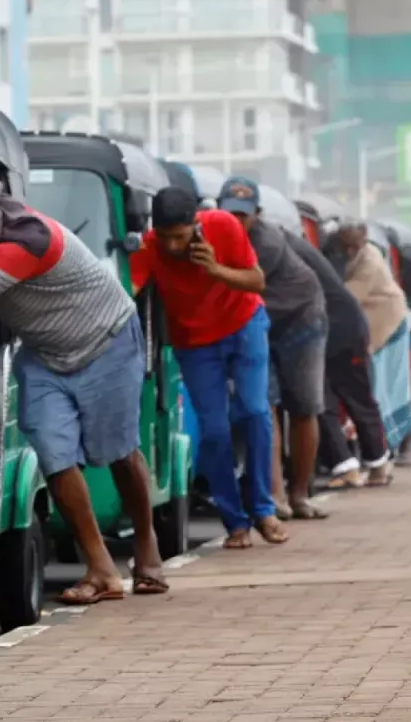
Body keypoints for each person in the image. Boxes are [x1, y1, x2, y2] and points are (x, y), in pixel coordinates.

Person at [0, 180, 169, 604]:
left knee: (119, 452)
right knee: (54, 455)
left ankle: (146, 545)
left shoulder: (25, 243)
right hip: (46, 353)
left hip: (107, 341)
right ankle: (101, 568)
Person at [130, 186, 288, 549]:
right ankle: (235, 521)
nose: (171, 246)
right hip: (194, 342)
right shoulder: (149, 245)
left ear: (195, 224)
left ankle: (264, 509)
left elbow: (256, 280)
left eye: (180, 237)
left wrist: (215, 269)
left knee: (254, 410)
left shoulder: (224, 225)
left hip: (243, 325)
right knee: (214, 430)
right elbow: (130, 290)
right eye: (165, 237)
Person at [217, 178, 326, 521]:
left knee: (304, 407)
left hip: (300, 321)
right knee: (265, 407)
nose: (236, 222)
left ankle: (299, 494)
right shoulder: (210, 234)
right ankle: (275, 496)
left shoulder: (264, 243)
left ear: (257, 215)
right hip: (257, 323)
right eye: (228, 214)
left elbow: (231, 290)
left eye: (243, 216)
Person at [286, 227, 391, 495]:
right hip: (335, 327)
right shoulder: (299, 246)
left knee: (346, 398)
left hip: (340, 331)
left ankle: (366, 464)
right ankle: (357, 465)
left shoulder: (284, 249)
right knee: (330, 400)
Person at [329, 219, 411, 480]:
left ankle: (389, 449)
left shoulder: (369, 263)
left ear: (364, 239)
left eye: (355, 244)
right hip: (370, 322)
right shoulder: (357, 252)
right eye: (347, 245)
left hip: (386, 323)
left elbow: (343, 298)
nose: (351, 250)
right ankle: (382, 455)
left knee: (380, 391)